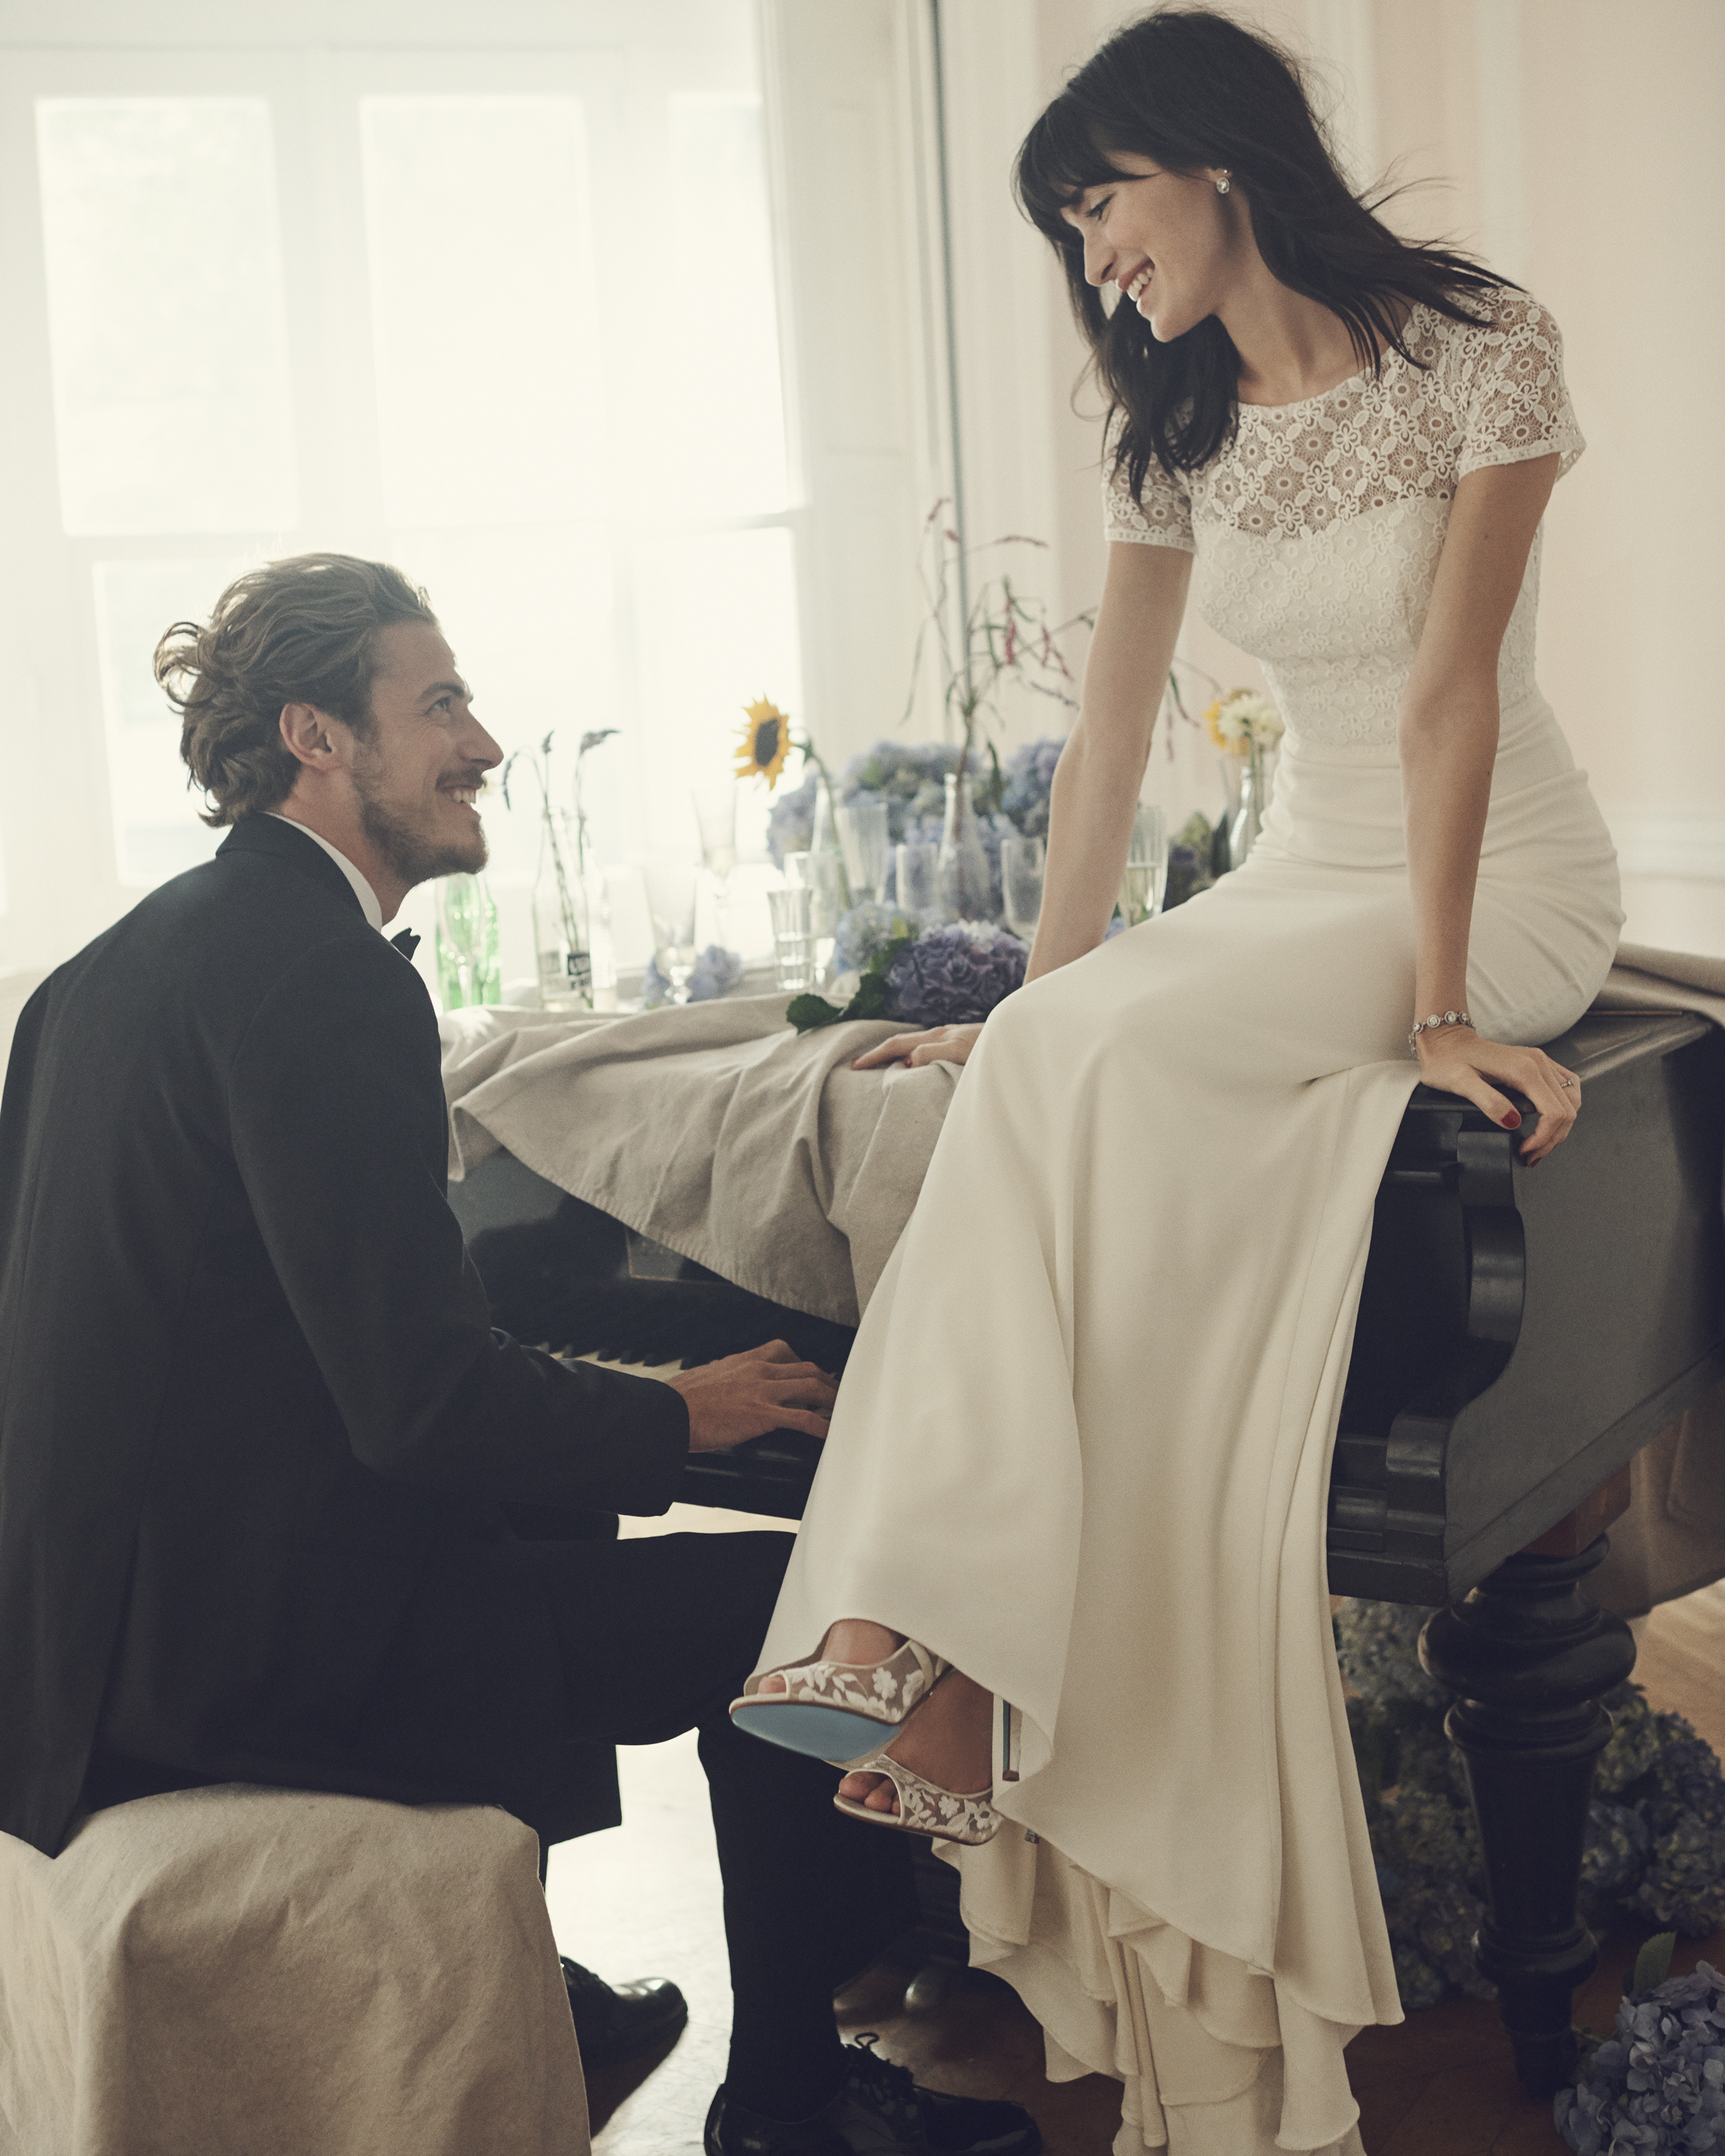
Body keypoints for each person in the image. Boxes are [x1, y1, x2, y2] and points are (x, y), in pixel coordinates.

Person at [728, 10, 1620, 2153]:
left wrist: (1428, 1012)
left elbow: (1440, 707)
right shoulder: (1172, 421)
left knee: (1113, 1042)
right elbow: (1113, 750)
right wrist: (1034, 997)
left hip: (1487, 874)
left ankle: (946, 1636)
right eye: (1065, 226)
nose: (1093, 252)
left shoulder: (1478, 350)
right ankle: (943, 1639)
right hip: (1295, 877)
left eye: (1101, 200)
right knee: (1065, 1047)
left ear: (1214, 160)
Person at [0, 552, 1042, 2156]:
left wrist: (598, 1419)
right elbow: (418, 1401)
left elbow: (283, 1355)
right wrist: (675, 1410)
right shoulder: (325, 980)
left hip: (94, 1649)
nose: (480, 743)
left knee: (550, 1510)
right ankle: (789, 2100)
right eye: (438, 706)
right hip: (239, 1676)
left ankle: (550, 1997)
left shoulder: (103, 973)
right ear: (316, 738)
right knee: (799, 1612)